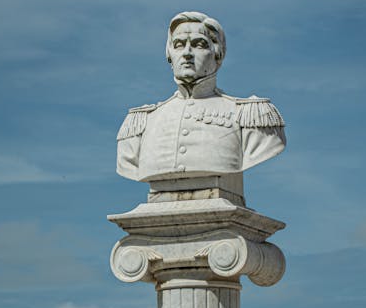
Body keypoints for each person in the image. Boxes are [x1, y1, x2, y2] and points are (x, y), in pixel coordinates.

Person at [116, 11, 286, 183]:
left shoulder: (250, 114)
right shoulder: (142, 121)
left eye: (199, 45)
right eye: (179, 45)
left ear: (217, 54)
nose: (187, 53)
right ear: (169, 54)